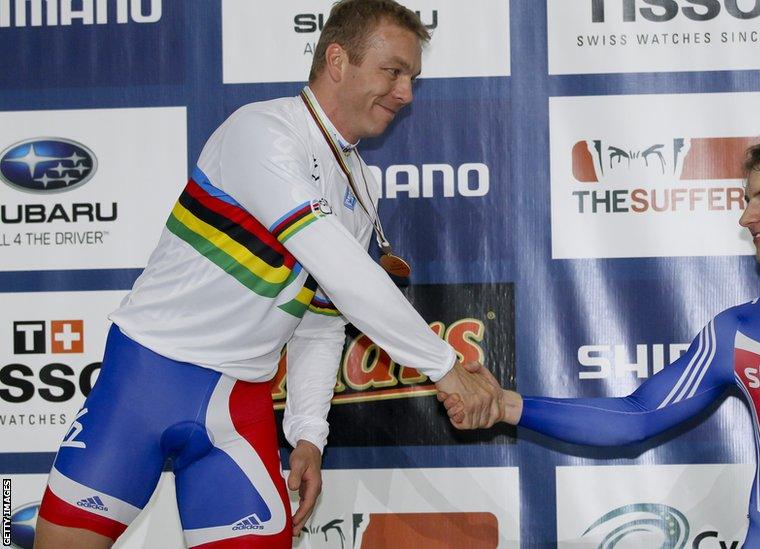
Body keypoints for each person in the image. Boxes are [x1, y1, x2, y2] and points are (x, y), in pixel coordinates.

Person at [35, 1, 503, 547]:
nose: (405, 93)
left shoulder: (358, 182)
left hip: (240, 408)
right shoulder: (262, 132)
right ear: (337, 60)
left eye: (412, 79)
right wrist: (445, 368)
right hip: (146, 383)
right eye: (393, 71)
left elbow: (322, 321)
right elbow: (342, 267)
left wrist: (308, 434)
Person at [443, 129, 760, 548]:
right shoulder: (736, 330)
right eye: (746, 200)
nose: (746, 216)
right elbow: (637, 416)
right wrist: (508, 405)